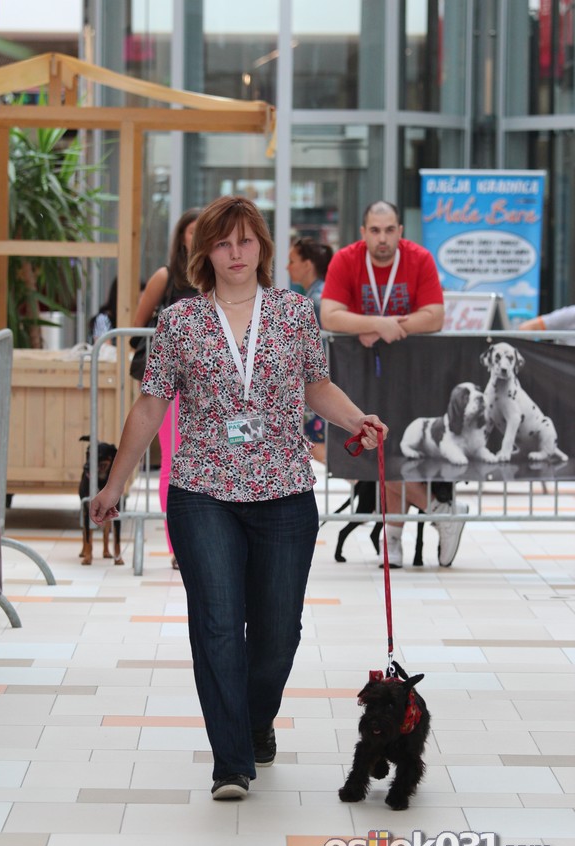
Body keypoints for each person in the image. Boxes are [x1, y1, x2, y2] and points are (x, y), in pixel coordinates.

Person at [90, 195, 388, 801]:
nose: (235, 253)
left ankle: (255, 721)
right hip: (203, 491)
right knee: (219, 624)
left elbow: (316, 385)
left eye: (245, 241)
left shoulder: (294, 312)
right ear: (206, 252)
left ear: (262, 248)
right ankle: (230, 761)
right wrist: (115, 482)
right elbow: (151, 404)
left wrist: (357, 419)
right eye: (223, 243)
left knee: (278, 633)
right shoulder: (180, 321)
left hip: (283, 489)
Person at [320, 199, 468, 569]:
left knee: (397, 454)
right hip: (361, 375)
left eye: (389, 230)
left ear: (400, 232)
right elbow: (330, 315)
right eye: (375, 230)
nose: (382, 238)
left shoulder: (419, 258)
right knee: (375, 451)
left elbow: (435, 316)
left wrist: (385, 327)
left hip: (413, 376)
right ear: (363, 233)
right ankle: (438, 514)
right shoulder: (347, 259)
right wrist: (376, 323)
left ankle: (396, 538)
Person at [132, 208, 201, 568]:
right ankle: (178, 548)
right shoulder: (166, 277)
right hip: (171, 383)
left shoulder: (221, 276)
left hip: (213, 385)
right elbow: (137, 328)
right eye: (192, 231)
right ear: (181, 237)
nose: (198, 237)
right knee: (173, 462)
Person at [287, 237, 334, 465]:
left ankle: (360, 481)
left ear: (307, 265)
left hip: (320, 382)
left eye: (292, 261)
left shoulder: (315, 300)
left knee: (318, 443)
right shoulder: (317, 296)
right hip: (320, 381)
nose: (287, 267)